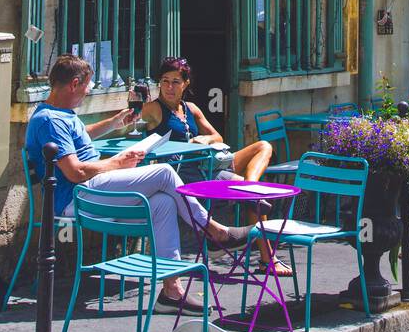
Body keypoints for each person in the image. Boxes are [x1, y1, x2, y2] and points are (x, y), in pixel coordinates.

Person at [25, 54, 252, 313]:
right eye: (87, 86)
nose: (88, 91)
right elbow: (75, 172)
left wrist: (113, 123)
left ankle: (171, 291)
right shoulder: (51, 121)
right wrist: (118, 163)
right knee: (164, 173)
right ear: (74, 84)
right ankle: (215, 231)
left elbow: (80, 137)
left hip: (91, 190)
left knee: (164, 202)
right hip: (77, 197)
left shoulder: (59, 113)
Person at [143, 56, 292, 277]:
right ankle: (267, 258)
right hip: (187, 174)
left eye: (175, 81)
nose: (169, 87)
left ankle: (250, 190)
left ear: (185, 84)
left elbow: (217, 135)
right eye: (164, 81)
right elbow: (132, 121)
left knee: (263, 146)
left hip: (211, 164)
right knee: (254, 198)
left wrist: (206, 140)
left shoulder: (190, 108)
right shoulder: (154, 109)